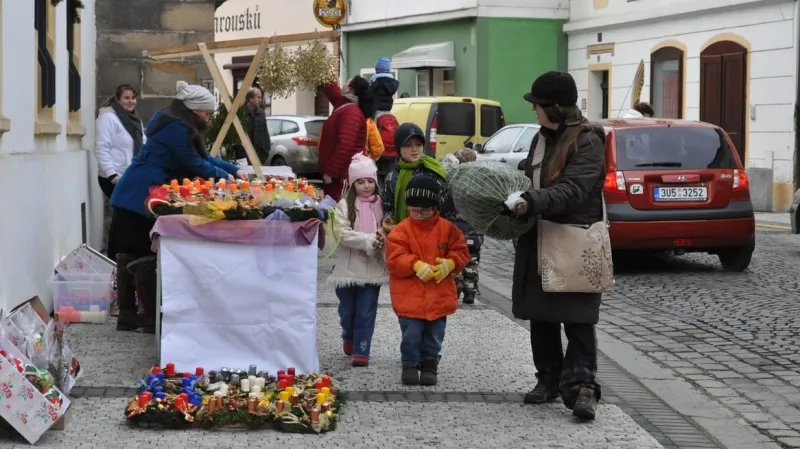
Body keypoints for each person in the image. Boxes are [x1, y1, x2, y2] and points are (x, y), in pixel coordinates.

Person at [506, 71, 606, 420]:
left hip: (575, 240)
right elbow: (529, 173)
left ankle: (583, 387)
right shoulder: (542, 137)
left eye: (538, 106)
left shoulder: (588, 140)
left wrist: (530, 200)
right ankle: (548, 377)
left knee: (577, 317)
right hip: (539, 235)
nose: (534, 112)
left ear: (557, 108)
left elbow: (575, 190)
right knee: (541, 312)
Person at [109, 81, 246, 333]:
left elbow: (204, 158)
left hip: (138, 190)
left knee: (132, 253)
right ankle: (144, 317)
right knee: (142, 255)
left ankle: (130, 315)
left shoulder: (176, 123)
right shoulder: (177, 129)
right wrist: (227, 179)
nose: (208, 116)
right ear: (194, 110)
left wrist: (234, 169)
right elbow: (195, 164)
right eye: (206, 112)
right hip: (139, 193)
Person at [385, 176, 470, 386]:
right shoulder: (401, 231)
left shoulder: (448, 229)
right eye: (414, 209)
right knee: (411, 334)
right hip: (409, 297)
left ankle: (430, 363)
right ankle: (410, 364)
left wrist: (450, 264)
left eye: (423, 209)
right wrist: (414, 265)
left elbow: (461, 251)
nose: (418, 213)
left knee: (434, 335)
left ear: (434, 207)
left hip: (438, 296)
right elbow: (394, 258)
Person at [329, 154, 389, 367]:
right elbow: (341, 233)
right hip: (349, 270)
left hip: (373, 269)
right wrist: (368, 240)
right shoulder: (345, 205)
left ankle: (361, 350)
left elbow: (387, 229)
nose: (366, 186)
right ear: (353, 183)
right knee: (348, 311)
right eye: (361, 182)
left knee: (366, 311)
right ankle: (348, 334)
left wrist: (383, 239)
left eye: (370, 181)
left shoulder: (381, 205)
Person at [382, 123, 456, 234]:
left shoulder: (434, 173)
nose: (414, 149)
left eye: (418, 144)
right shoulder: (392, 178)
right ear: (398, 148)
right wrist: (389, 219)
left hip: (432, 234)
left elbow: (446, 210)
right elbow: (388, 207)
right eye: (407, 145)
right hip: (401, 235)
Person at [318, 77, 375, 201]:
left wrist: (331, 171)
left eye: (346, 82)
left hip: (341, 177)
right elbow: (334, 93)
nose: (342, 85)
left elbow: (346, 144)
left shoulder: (351, 112)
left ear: (350, 89)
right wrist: (326, 75)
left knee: (340, 214)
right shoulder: (345, 105)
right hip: (339, 175)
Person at [94, 84, 145, 199]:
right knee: (124, 213)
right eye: (126, 98)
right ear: (117, 99)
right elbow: (101, 148)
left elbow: (143, 143)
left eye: (133, 98)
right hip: (114, 178)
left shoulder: (135, 119)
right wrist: (112, 175)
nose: (131, 101)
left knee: (128, 214)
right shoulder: (108, 118)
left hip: (131, 175)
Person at [449, 148, 483, 304]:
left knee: (456, 259)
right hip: (475, 232)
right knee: (472, 261)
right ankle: (470, 291)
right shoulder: (480, 183)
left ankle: (457, 283)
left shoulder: (454, 181)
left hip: (457, 231)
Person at [369, 57, 401, 188]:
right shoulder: (393, 83)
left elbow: (369, 95)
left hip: (376, 112)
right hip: (388, 111)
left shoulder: (375, 82)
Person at [240, 87, 271, 165]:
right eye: (258, 97)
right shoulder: (240, 113)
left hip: (259, 156)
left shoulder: (261, 113)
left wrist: (266, 150)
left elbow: (265, 133)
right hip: (243, 156)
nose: (261, 100)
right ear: (250, 98)